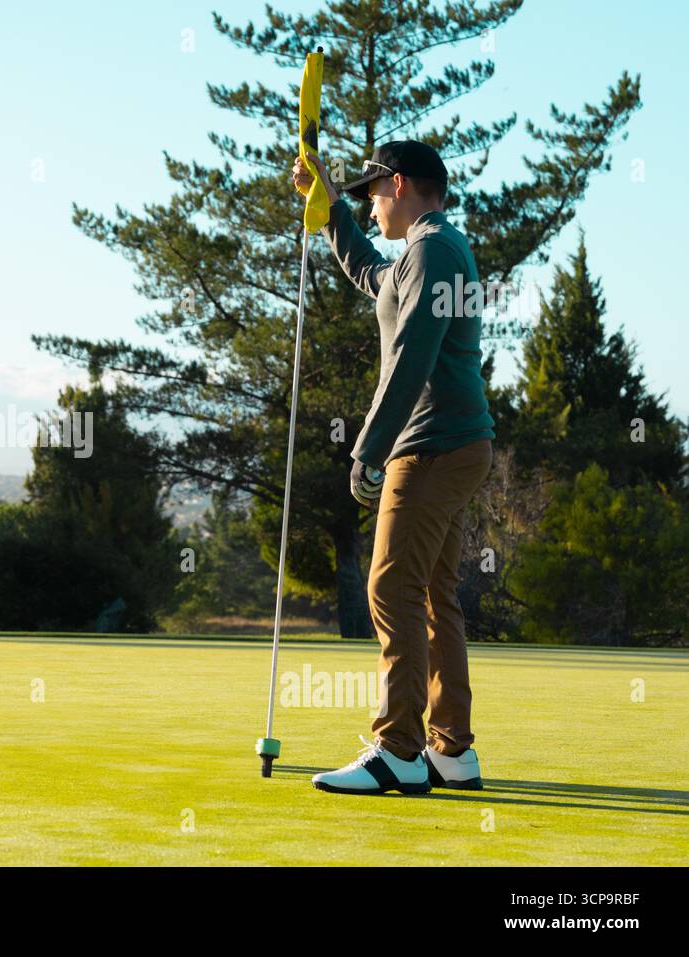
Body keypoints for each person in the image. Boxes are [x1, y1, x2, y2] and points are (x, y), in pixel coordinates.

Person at [291, 141, 495, 796]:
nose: (371, 207)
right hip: (452, 443)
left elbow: (411, 357)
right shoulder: (426, 252)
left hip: (432, 446)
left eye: (372, 194)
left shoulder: (433, 251)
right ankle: (451, 750)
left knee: (389, 585)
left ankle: (399, 749)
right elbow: (369, 272)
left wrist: (368, 448)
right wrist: (327, 207)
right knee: (432, 593)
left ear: (399, 184)